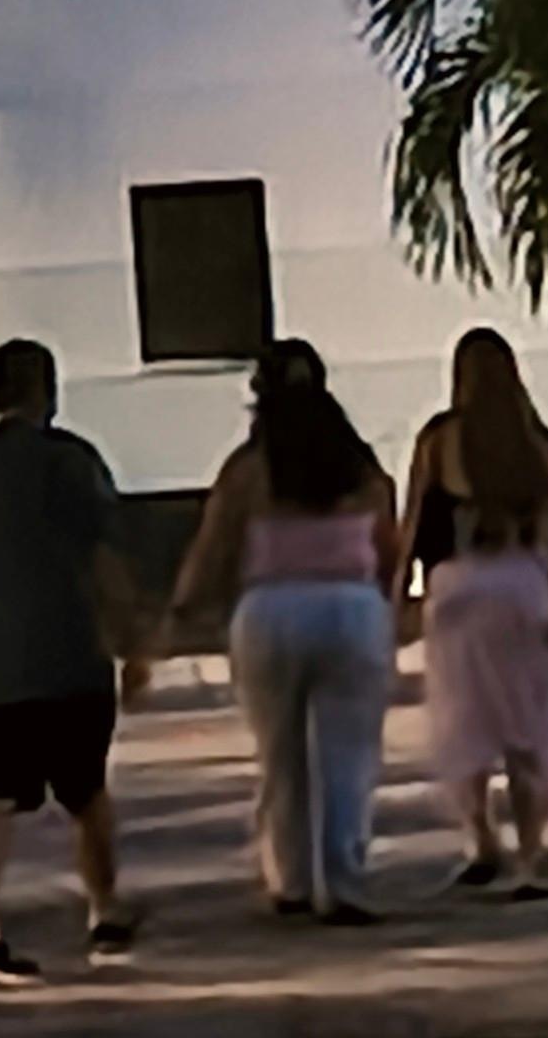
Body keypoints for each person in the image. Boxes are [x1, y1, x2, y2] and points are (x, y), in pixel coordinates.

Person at [0, 336, 146, 985]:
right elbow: (105, 558)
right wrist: (132, 640)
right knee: (87, 792)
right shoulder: (72, 462)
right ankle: (104, 911)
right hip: (67, 654)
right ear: (48, 390)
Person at [169, 338, 399, 923]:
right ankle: (343, 881)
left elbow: (214, 546)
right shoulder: (361, 465)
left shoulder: (248, 469)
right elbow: (389, 547)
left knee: (281, 755)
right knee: (347, 755)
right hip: (352, 610)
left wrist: (181, 609)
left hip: (270, 612)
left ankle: (292, 879)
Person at [399, 328, 548, 891]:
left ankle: (482, 838)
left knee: (465, 720)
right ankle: (531, 855)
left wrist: (396, 595)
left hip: (457, 588)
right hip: (522, 584)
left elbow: (415, 520)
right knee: (527, 725)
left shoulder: (439, 440)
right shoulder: (534, 442)